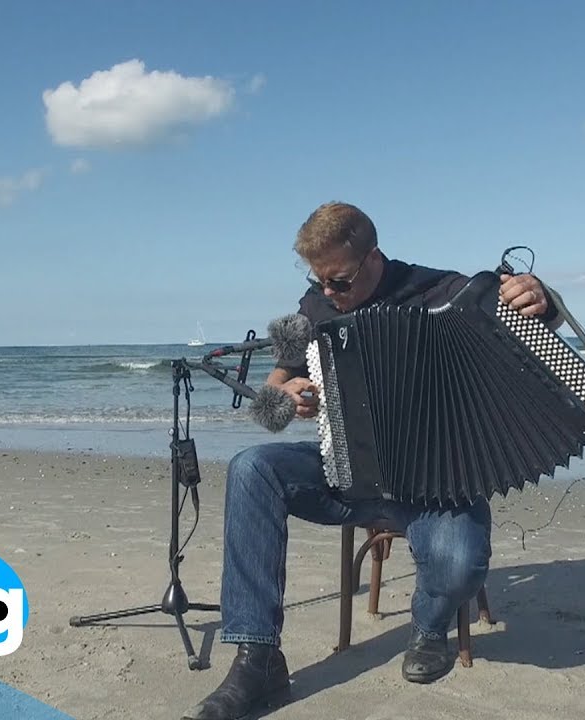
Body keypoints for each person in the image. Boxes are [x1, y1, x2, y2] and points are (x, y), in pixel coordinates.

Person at [182, 202, 562, 720]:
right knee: (253, 468)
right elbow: (265, 408)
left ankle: (429, 629)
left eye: (339, 280)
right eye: (319, 281)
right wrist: (285, 395)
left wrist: (543, 296)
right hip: (344, 473)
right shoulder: (309, 309)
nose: (329, 294)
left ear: (373, 257)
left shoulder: (441, 291)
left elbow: (538, 326)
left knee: (459, 562)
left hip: (438, 482)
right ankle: (258, 658)